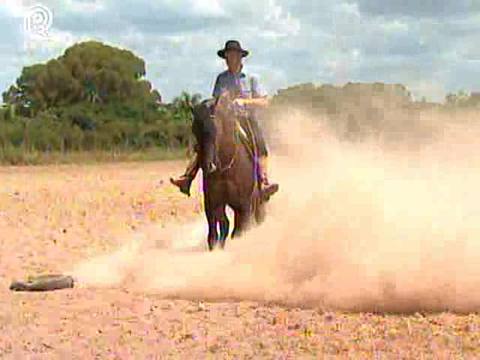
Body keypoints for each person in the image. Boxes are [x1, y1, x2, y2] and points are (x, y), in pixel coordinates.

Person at [170, 40, 279, 199]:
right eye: (228, 56)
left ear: (240, 57)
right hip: (224, 120)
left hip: (246, 119)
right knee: (205, 143)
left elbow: (264, 102)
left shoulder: (251, 78)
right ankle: (188, 177)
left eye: (234, 56)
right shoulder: (221, 78)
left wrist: (244, 102)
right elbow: (216, 101)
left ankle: (263, 182)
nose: (230, 59)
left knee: (259, 145)